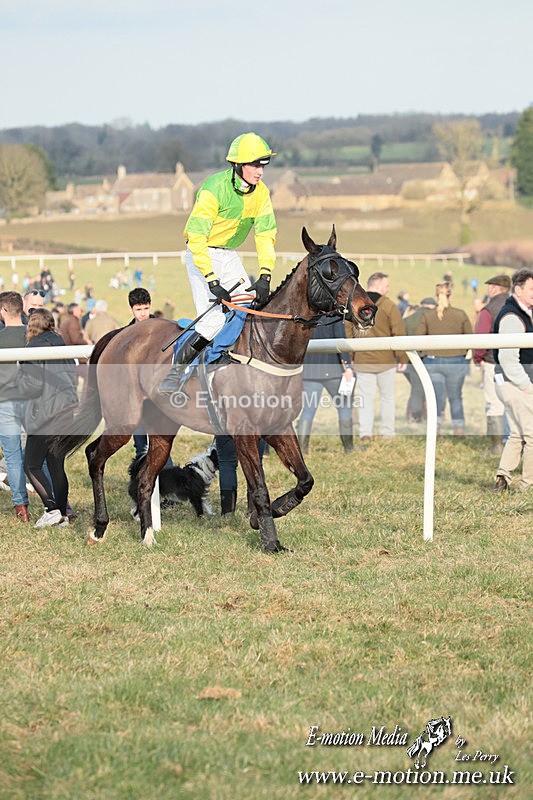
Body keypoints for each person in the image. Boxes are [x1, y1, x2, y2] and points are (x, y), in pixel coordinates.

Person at [159, 132, 277, 394]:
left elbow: (265, 234)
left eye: (263, 165)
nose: (260, 171)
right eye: (255, 165)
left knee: (248, 306)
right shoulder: (213, 189)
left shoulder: (262, 193)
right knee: (212, 322)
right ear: (238, 165)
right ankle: (174, 374)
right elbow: (197, 238)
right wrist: (212, 280)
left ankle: (219, 357)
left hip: (228, 254)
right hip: (201, 254)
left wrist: (266, 274)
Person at [16, 309, 79, 527]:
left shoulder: (33, 348)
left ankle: (51, 509)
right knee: (56, 465)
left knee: (31, 465)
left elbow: (32, 386)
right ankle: (62, 514)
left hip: (46, 414)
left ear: (31, 326)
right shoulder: (62, 345)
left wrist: (16, 380)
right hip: (67, 411)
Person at [349, 272, 407, 439]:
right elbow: (399, 332)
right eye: (386, 286)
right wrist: (402, 357)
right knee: (387, 398)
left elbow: (348, 331)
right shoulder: (388, 305)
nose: (388, 289)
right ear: (378, 285)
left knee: (365, 399)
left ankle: (365, 433)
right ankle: (387, 432)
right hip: (386, 361)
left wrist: (351, 356)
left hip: (363, 360)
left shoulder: (356, 304)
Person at [492, 268, 533, 492]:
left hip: (510, 382)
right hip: (515, 383)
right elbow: (508, 358)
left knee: (517, 433)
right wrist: (527, 386)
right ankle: (528, 486)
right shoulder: (512, 317)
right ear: (518, 289)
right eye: (531, 289)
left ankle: (503, 477)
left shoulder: (521, 312)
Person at [416, 281, 473, 436]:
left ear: (436, 296)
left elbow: (418, 339)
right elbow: (470, 338)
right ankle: (458, 428)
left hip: (433, 361)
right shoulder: (460, 314)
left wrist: (424, 355)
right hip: (456, 361)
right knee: (455, 397)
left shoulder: (427, 316)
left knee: (436, 398)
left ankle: (436, 428)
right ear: (451, 295)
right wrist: (462, 353)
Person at [296, 317, 356, 454]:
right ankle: (349, 449)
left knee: (307, 411)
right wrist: (347, 367)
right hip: (333, 369)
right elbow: (340, 342)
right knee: (344, 407)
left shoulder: (306, 315)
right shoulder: (334, 317)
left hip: (309, 370)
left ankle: (302, 451)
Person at [0, 291, 31, 521]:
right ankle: (56, 501)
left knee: (12, 456)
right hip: (33, 401)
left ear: (3, 311)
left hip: (5, 401)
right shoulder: (34, 337)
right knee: (41, 452)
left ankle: (21, 507)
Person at [473, 274, 511, 454]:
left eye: (490, 286)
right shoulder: (519, 307)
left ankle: (496, 446)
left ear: (494, 289)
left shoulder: (488, 310)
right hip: (518, 363)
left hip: (493, 363)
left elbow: (481, 338)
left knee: (494, 402)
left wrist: (477, 357)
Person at [403, 297, 438, 422]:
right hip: (430, 359)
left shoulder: (407, 320)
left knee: (416, 389)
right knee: (429, 389)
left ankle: (415, 416)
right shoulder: (434, 319)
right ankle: (428, 417)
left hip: (410, 359)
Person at [59, 302, 90, 392]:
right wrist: (86, 342)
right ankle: (85, 400)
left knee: (73, 382)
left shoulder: (67, 320)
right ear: (75, 311)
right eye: (80, 310)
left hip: (70, 355)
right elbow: (75, 339)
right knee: (89, 377)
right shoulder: (73, 321)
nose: (81, 312)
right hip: (75, 356)